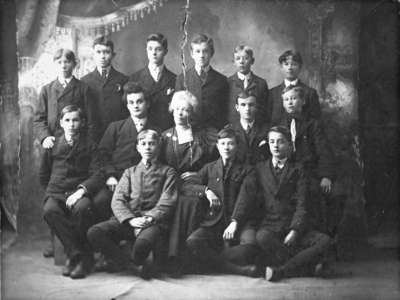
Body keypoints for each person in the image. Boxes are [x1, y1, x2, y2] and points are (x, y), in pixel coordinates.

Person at [87, 129, 178, 279]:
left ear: (158, 147)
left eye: (152, 144)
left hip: (152, 223)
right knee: (94, 232)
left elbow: (167, 201)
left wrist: (148, 219)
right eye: (143, 144)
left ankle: (131, 259)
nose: (147, 147)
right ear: (138, 147)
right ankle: (130, 264)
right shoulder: (129, 172)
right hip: (128, 220)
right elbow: (117, 200)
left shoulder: (168, 172)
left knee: (142, 245)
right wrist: (130, 220)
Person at [254, 125, 331, 281]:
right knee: (262, 237)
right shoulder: (260, 169)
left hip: (294, 224)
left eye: (281, 142)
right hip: (271, 226)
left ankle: (282, 271)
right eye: (272, 142)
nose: (275, 145)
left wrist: (295, 230)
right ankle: (308, 265)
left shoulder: (298, 169)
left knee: (325, 241)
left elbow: (302, 202)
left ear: (289, 144)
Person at [185, 128, 260, 277]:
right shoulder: (210, 168)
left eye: (231, 144)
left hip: (241, 221)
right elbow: (186, 186)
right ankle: (237, 270)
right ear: (218, 146)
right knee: (192, 241)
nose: (226, 147)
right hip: (215, 222)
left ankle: (213, 260)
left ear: (237, 146)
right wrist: (206, 191)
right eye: (223, 143)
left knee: (250, 246)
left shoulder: (248, 170)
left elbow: (246, 198)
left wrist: (235, 222)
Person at [41, 105, 104, 279]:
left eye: (75, 120)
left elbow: (98, 173)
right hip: (57, 191)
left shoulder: (90, 144)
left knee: (82, 209)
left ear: (82, 123)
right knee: (49, 211)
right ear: (61, 122)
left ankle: (77, 259)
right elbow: (44, 173)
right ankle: (77, 254)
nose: (71, 124)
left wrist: (81, 191)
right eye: (67, 120)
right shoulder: (52, 144)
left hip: (78, 190)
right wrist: (50, 193)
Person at [159, 90, 218, 265]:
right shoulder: (165, 137)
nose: (180, 113)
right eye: (177, 109)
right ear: (172, 111)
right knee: (181, 202)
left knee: (191, 202)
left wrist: (197, 174)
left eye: (185, 110)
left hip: (196, 183)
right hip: (171, 184)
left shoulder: (202, 136)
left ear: (191, 113)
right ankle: (173, 256)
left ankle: (189, 257)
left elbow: (212, 164)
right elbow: (161, 166)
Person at [91, 82, 159, 223]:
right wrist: (110, 176)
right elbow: (102, 156)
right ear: (127, 106)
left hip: (147, 181)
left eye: (139, 101)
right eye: (131, 102)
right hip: (117, 179)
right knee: (100, 201)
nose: (135, 106)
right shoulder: (115, 127)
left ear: (147, 104)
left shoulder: (157, 129)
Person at [278, 85, 335, 228]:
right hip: (287, 171)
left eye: (293, 98)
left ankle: (317, 231)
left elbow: (323, 151)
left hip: (309, 170)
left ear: (303, 101)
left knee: (314, 196)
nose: (290, 102)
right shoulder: (279, 125)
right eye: (286, 99)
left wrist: (326, 175)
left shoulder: (313, 124)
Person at [34, 48, 99, 148]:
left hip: (78, 143)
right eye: (59, 62)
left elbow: (91, 120)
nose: (63, 66)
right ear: (54, 65)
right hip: (53, 142)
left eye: (67, 62)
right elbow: (39, 119)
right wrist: (45, 137)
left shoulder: (83, 88)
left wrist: (87, 142)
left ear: (74, 64)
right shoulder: (47, 90)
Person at [175, 33, 229, 130]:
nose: (201, 55)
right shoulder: (182, 79)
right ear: (192, 54)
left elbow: (225, 111)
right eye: (197, 51)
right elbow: (178, 111)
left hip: (214, 134)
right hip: (190, 132)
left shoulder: (221, 80)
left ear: (211, 53)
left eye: (205, 51)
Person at [81, 35, 129, 141]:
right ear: (93, 55)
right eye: (98, 52)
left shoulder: (123, 80)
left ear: (113, 55)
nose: (102, 56)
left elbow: (127, 110)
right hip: (93, 136)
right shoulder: (84, 81)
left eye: (106, 52)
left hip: (118, 135)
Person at [130, 33, 176, 131]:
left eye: (158, 49)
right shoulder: (134, 78)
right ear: (146, 50)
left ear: (165, 51)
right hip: (143, 133)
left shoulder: (175, 79)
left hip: (166, 130)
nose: (154, 53)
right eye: (150, 49)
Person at [269, 50, 321, 125]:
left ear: (300, 67)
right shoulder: (272, 93)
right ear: (281, 67)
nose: (290, 68)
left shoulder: (310, 93)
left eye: (294, 64)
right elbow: (267, 120)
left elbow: (316, 122)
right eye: (286, 64)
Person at [227, 45, 269, 124]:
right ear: (234, 62)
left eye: (246, 58)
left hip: (256, 128)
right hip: (233, 128)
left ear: (252, 61)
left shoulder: (261, 83)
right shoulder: (228, 82)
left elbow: (265, 110)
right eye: (238, 59)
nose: (241, 62)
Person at [226, 90, 270, 165]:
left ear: (256, 107)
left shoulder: (266, 129)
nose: (247, 109)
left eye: (251, 105)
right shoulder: (229, 130)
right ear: (237, 108)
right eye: (243, 105)